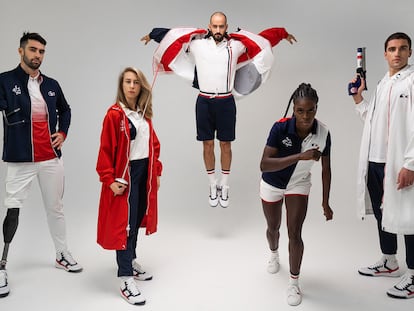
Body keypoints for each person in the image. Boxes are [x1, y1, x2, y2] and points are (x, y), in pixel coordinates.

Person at [141, 11, 296, 208]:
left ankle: (224, 184)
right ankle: (212, 184)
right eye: (214, 26)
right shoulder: (197, 44)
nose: (218, 30)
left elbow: (261, 40)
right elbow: (173, 36)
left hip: (225, 102)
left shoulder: (236, 45)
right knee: (206, 145)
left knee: (225, 145)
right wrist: (153, 34)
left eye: (221, 26)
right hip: (204, 101)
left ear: (226, 27)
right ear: (209, 26)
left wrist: (282, 33)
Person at [0, 32, 82, 298]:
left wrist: (63, 132)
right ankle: (2, 266)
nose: (37, 55)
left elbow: (66, 110)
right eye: (33, 50)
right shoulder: (5, 80)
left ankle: (61, 253)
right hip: (20, 157)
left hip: (50, 157)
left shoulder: (52, 84)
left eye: (42, 51)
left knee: (55, 208)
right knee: (13, 210)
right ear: (21, 51)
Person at [350, 32, 414, 299]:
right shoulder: (383, 83)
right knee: (382, 214)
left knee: (409, 217)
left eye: (402, 48)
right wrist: (358, 97)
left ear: (410, 52)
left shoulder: (411, 82)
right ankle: (389, 261)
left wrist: (411, 163)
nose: (397, 53)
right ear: (385, 54)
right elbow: (373, 120)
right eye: (392, 49)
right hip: (375, 162)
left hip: (398, 162)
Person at [260, 83, 333, 306]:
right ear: (294, 108)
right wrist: (300, 157)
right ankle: (274, 253)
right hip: (272, 183)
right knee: (273, 228)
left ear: (316, 108)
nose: (305, 115)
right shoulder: (280, 128)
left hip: (298, 184)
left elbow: (326, 169)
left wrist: (325, 202)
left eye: (310, 110)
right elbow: (264, 164)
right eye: (300, 110)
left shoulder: (324, 133)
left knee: (295, 233)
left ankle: (294, 283)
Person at [96, 67, 162, 305]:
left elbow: (153, 145)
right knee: (123, 226)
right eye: (127, 82)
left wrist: (157, 173)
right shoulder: (114, 115)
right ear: (121, 85)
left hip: (144, 174)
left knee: (134, 222)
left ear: (142, 86)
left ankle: (131, 261)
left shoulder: (144, 115)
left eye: (136, 82)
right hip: (126, 176)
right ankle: (125, 278)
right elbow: (105, 150)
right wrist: (109, 179)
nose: (132, 86)